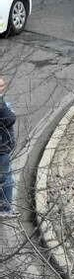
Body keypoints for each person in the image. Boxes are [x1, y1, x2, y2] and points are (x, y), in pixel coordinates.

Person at [0, 75, 15, 219]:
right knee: (7, 179)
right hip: (2, 149)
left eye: (3, 86)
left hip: (4, 147)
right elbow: (10, 119)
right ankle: (5, 208)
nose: (2, 89)